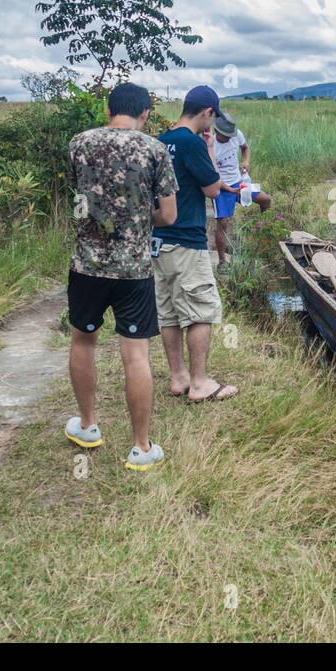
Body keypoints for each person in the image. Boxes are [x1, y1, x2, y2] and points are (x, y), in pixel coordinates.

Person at [63, 82, 177, 471]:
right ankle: (141, 447)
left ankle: (88, 425)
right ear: (145, 113)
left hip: (87, 266)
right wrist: (142, 220)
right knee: (136, 352)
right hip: (134, 269)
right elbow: (169, 216)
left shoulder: (79, 143)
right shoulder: (155, 150)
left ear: (109, 108)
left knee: (84, 340)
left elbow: (79, 198)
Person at [153, 86, 239, 403]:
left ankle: (179, 377)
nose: (211, 125)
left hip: (158, 241)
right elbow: (213, 189)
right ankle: (200, 382)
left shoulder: (161, 140)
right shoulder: (192, 142)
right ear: (207, 112)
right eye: (211, 118)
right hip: (187, 238)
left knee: (170, 312)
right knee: (202, 310)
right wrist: (211, 151)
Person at [211, 113, 272, 271]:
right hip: (222, 187)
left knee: (266, 200)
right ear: (217, 131)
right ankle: (222, 261)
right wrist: (230, 190)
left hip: (240, 183)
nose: (229, 138)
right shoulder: (210, 147)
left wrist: (245, 162)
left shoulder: (236, 135)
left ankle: (265, 237)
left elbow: (245, 148)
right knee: (223, 222)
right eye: (226, 136)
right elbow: (213, 179)